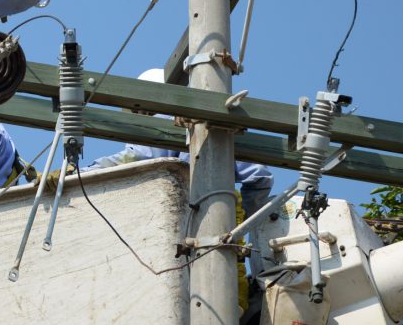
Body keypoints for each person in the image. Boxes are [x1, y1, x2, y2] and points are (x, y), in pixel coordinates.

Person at [85, 68, 274, 216]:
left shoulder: (161, 127)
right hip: (216, 224)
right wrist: (246, 220)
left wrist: (81, 173)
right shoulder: (221, 130)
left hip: (179, 222)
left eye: (142, 111)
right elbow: (260, 177)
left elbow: (134, 156)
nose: (141, 117)